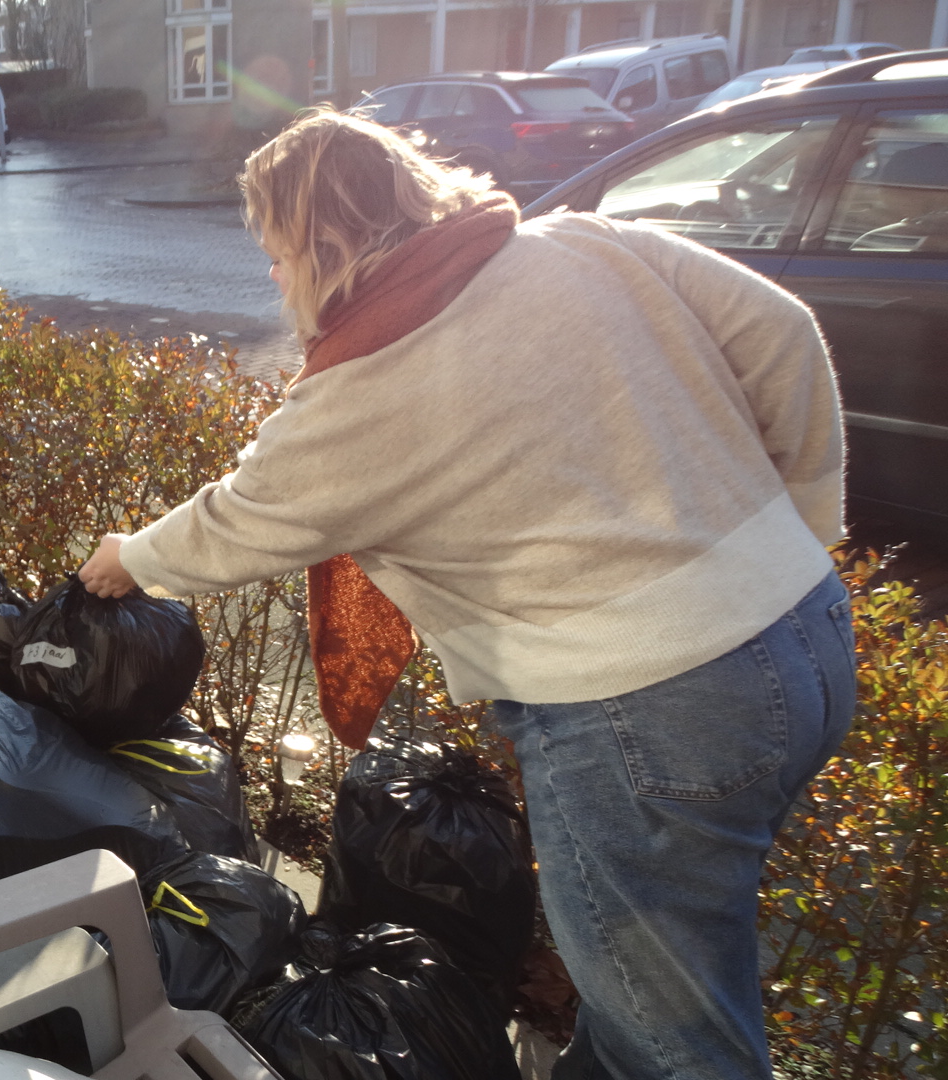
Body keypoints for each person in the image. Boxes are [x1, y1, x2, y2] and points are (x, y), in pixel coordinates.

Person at [77, 110, 857, 1080]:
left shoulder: (365, 388)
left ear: (326, 244)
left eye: (277, 255)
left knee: (678, 1046)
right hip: (812, 640)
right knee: (645, 1001)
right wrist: (789, 532)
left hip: (647, 715)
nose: (274, 280)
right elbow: (782, 335)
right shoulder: (582, 242)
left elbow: (240, 520)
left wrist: (125, 559)